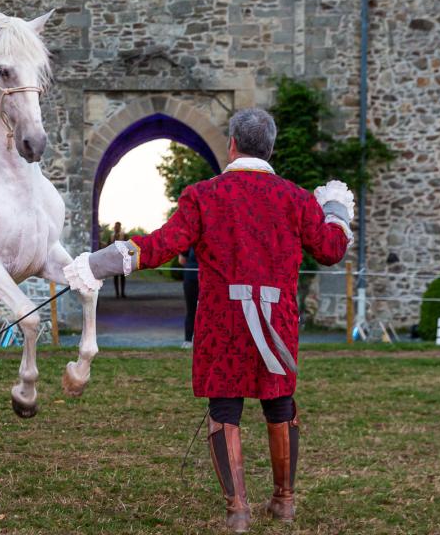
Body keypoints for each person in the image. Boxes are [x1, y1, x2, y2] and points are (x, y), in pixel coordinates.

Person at [64, 108, 353, 532]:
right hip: (277, 319)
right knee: (279, 404)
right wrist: (336, 212)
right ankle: (284, 501)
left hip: (224, 320)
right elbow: (330, 248)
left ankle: (238, 511)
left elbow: (162, 245)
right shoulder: (295, 198)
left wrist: (101, 261)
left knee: (225, 407)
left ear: (232, 144)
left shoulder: (204, 195)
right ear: (269, 148)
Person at [178, 246, 198, 348]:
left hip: (193, 278)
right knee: (192, 309)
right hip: (192, 278)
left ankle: (189, 340)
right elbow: (181, 260)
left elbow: (181, 260)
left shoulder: (190, 240)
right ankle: (189, 340)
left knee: (191, 310)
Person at [111, 221, 127, 298]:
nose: (116, 228)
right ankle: (117, 293)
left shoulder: (124, 235)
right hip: (114, 259)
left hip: (122, 259)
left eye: (117, 226)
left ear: (120, 227)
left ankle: (122, 293)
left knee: (123, 276)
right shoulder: (111, 236)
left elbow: (128, 245)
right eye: (115, 226)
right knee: (116, 277)